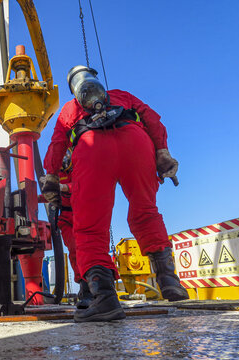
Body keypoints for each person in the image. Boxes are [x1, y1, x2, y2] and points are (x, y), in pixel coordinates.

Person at [42, 65, 188, 323]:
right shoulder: (121, 95)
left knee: (89, 227)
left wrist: (52, 176)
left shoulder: (70, 109)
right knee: (146, 211)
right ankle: (169, 281)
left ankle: (105, 299)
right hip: (137, 143)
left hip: (91, 150)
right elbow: (152, 118)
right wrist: (163, 152)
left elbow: (57, 144)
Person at [57, 148, 93, 309]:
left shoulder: (81, 167)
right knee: (74, 252)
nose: (64, 158)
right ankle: (84, 289)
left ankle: (96, 288)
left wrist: (64, 188)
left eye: (66, 154)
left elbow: (84, 185)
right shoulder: (57, 173)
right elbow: (52, 192)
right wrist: (35, 197)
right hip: (65, 218)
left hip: (83, 213)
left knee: (87, 251)